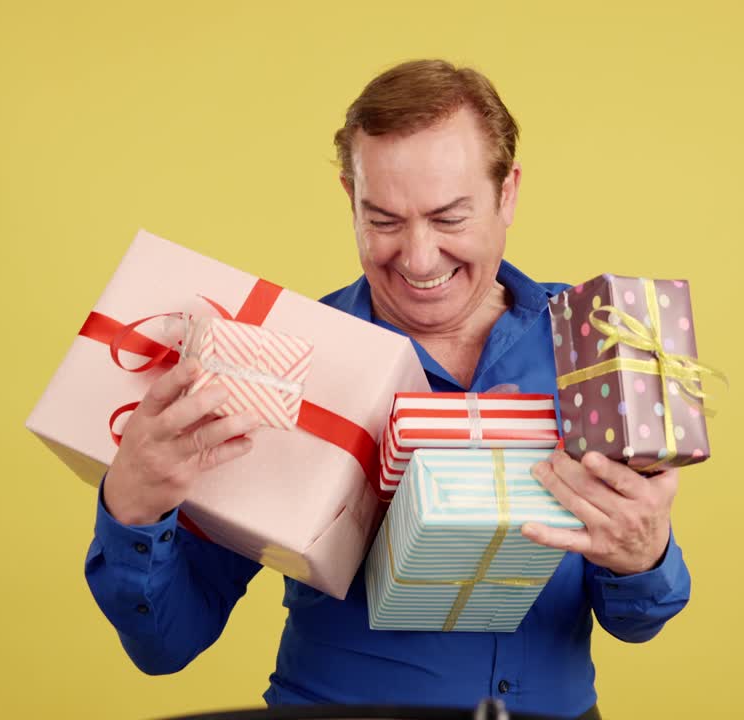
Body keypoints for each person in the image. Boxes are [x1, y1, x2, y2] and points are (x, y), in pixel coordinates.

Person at [86, 60, 691, 720]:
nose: (419, 257)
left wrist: (643, 555)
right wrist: (134, 509)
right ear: (350, 197)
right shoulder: (285, 357)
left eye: (450, 217)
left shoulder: (594, 342)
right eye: (383, 220)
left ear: (507, 193)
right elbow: (166, 641)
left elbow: (638, 620)